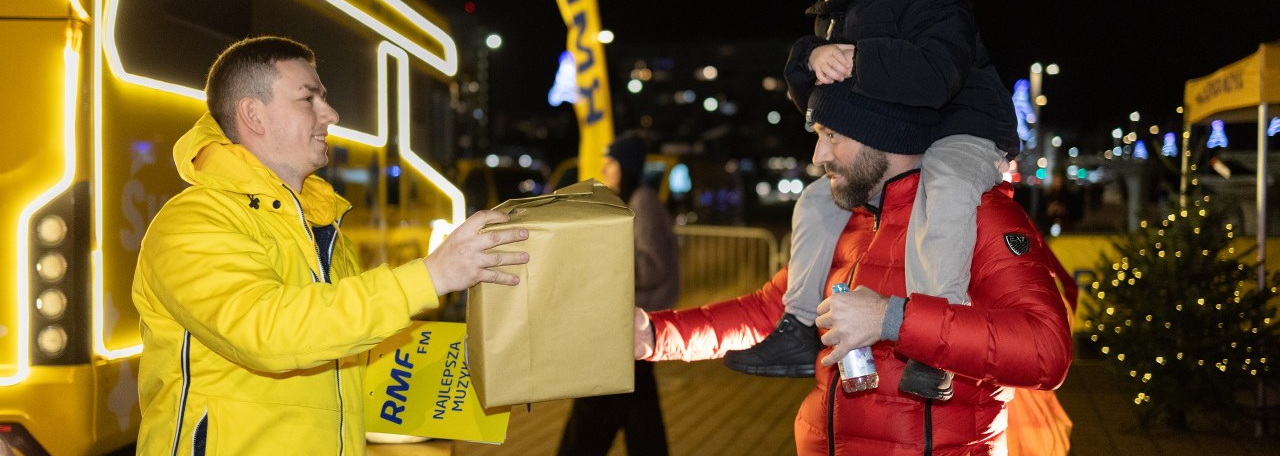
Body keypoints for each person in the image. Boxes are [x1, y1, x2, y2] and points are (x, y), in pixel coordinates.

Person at [132, 35, 530, 455]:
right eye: (309, 100)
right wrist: (431, 275)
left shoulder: (323, 227)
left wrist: (485, 365)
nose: (332, 114)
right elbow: (268, 332)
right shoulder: (193, 221)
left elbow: (340, 345)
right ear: (253, 114)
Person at [723, 0, 1021, 401]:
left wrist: (858, 57)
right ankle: (798, 328)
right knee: (817, 200)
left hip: (968, 128)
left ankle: (941, 339)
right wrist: (809, 60)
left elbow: (939, 73)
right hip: (908, 138)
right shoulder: (845, 5)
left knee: (946, 186)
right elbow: (822, 103)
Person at [635, 83, 1072, 454]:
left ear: (882, 134)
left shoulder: (980, 213)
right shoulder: (848, 217)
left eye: (831, 135)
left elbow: (1045, 351)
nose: (818, 154)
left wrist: (892, 318)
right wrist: (654, 335)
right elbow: (769, 311)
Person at [558, 131, 680, 456]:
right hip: (630, 328)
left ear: (625, 167)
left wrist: (605, 265)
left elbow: (653, 266)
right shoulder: (632, 201)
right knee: (639, 414)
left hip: (629, 328)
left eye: (610, 163)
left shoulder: (643, 202)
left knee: (593, 409)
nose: (605, 170)